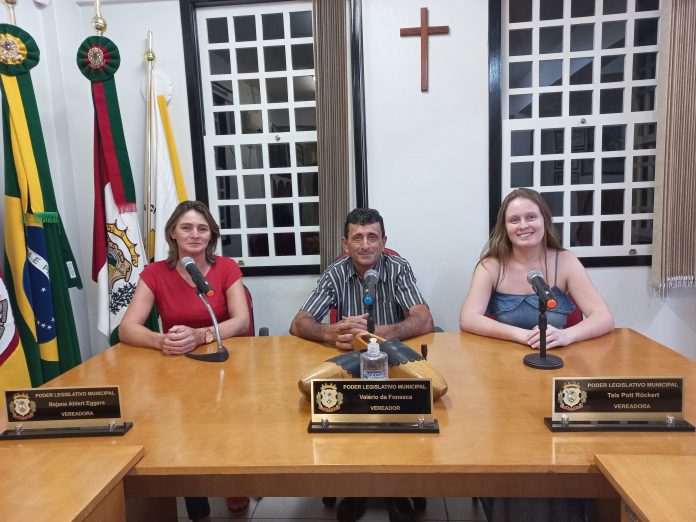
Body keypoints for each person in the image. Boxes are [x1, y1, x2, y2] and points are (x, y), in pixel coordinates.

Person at [459, 188, 614, 522]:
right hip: (506, 385)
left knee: (563, 455)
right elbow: (468, 318)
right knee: (516, 455)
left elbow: (603, 317)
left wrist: (567, 335)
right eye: (514, 219)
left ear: (545, 220)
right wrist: (521, 336)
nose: (523, 225)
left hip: (557, 378)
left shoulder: (564, 261)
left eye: (531, 217)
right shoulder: (491, 265)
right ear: (504, 226)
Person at [290, 208, 434, 522]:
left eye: (372, 237)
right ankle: (355, 488)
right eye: (357, 237)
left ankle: (396, 489)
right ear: (346, 243)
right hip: (352, 361)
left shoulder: (397, 268)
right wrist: (330, 332)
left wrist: (383, 333)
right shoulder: (336, 272)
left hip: (393, 358)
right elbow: (299, 323)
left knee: (395, 415)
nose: (366, 245)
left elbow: (424, 319)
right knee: (350, 416)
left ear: (384, 241)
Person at [120, 200, 250, 522]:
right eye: (187, 227)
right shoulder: (155, 273)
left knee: (230, 428)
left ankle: (235, 483)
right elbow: (127, 328)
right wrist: (160, 340)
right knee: (187, 435)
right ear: (172, 234)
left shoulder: (226, 267)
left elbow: (241, 321)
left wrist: (201, 335)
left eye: (202, 229)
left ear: (211, 235)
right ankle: (198, 508)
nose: (195, 234)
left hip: (225, 363)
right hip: (179, 366)